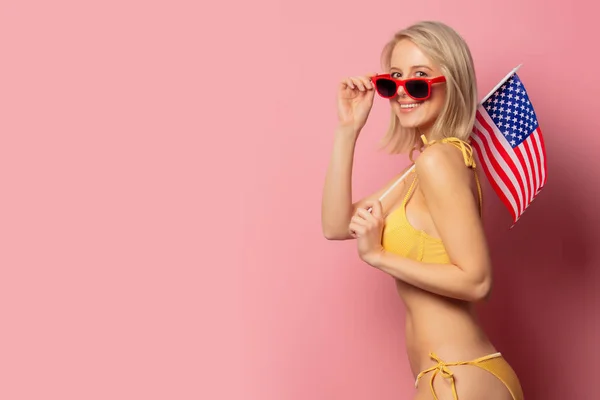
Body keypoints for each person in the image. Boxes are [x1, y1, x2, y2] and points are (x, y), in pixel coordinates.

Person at [321, 21, 525, 400]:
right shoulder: (419, 169)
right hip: (448, 378)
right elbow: (336, 225)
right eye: (393, 79)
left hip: (460, 378)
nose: (403, 93)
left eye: (419, 79)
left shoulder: (438, 162)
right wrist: (347, 130)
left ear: (452, 84)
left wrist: (378, 256)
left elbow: (478, 281)